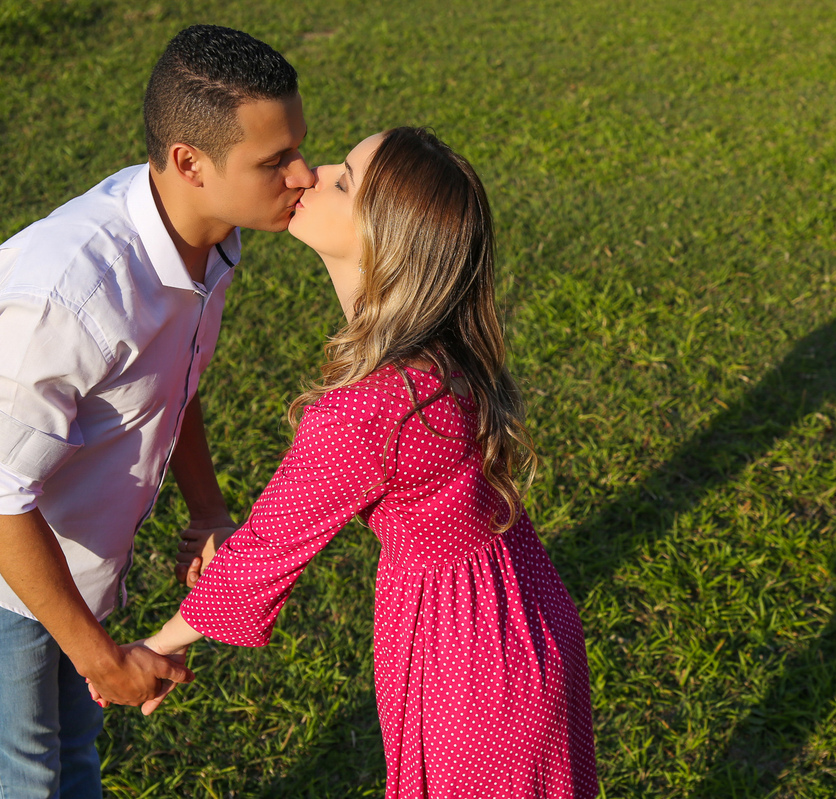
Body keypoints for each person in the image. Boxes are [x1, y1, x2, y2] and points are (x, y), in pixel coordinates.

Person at [104, 127, 600, 797]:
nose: (310, 172)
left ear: (384, 242)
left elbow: (271, 546)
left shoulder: (371, 408)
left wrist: (161, 643)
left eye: (344, 180)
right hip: (522, 622)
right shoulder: (438, 347)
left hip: (471, 667)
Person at [0, 25, 314, 798]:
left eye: (299, 149)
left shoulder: (211, 236)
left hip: (81, 572)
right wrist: (100, 656)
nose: (304, 175)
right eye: (275, 161)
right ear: (189, 162)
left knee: (72, 760)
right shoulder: (68, 297)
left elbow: (174, 374)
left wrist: (207, 509)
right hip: (14, 588)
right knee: (30, 777)